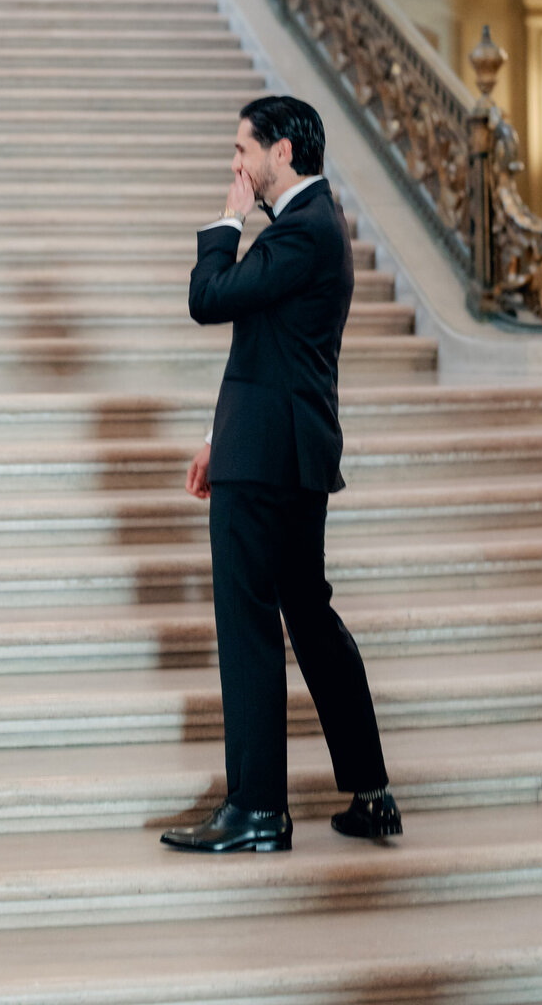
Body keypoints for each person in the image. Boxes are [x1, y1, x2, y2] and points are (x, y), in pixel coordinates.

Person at [160, 96, 401, 854]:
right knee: (308, 616)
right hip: (276, 450)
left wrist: (225, 222)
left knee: (250, 625)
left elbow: (210, 300)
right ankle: (370, 791)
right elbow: (266, 346)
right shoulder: (309, 229)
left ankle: (259, 809)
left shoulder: (300, 229)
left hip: (267, 463)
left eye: (244, 150)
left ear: (283, 153)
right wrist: (214, 435)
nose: (237, 164)